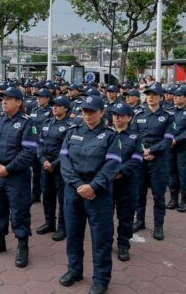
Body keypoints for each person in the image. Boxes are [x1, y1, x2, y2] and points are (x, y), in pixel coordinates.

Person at [58, 95, 122, 294]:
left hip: (99, 192)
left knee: (101, 238)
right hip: (74, 190)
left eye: (92, 111)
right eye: (85, 111)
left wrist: (93, 186)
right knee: (74, 234)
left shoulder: (111, 135)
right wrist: (79, 185)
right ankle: (74, 270)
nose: (88, 115)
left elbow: (112, 165)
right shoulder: (72, 132)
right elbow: (64, 161)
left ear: (102, 112)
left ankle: (101, 279)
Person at [0, 86, 38, 268]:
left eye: (8, 98)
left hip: (16, 176)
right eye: (2, 98)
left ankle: (22, 244)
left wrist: (9, 168)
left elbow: (29, 152)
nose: (3, 101)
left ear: (19, 102)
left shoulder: (27, 123)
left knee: (19, 210)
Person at [132, 83, 174, 241]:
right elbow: (134, 136)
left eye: (154, 95)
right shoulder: (138, 114)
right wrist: (143, 152)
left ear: (161, 98)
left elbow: (168, 140)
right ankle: (140, 220)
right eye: (148, 94)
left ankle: (158, 226)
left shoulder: (168, 116)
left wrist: (151, 151)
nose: (150, 97)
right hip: (141, 158)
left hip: (159, 159)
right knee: (139, 192)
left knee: (158, 195)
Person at [109, 102, 143, 262]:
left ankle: (123, 245)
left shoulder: (135, 137)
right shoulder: (106, 134)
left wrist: (120, 171)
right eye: (114, 115)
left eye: (121, 116)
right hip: (107, 182)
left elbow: (136, 159)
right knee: (105, 215)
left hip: (127, 183)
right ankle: (106, 242)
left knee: (126, 216)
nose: (116, 118)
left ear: (129, 118)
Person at [36, 95, 71, 241]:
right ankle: (49, 222)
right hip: (46, 165)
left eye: (58, 105)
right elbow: (39, 144)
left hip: (61, 167)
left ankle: (62, 227)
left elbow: (68, 149)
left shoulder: (70, 125)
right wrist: (44, 160)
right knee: (47, 195)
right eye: (53, 105)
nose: (54, 108)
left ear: (66, 108)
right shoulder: (47, 123)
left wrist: (54, 164)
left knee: (62, 198)